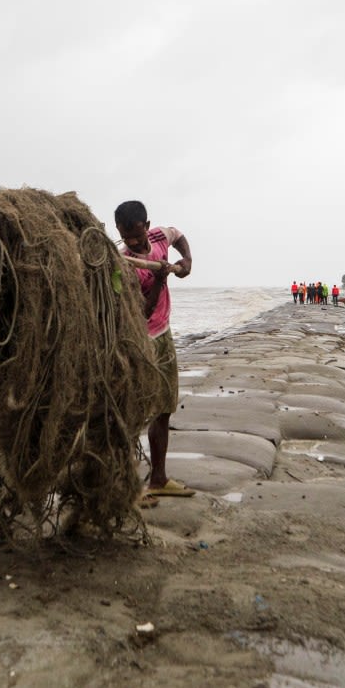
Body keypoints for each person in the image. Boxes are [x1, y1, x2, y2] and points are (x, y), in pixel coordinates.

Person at [114, 200, 195, 504]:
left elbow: (178, 236)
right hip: (138, 341)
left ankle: (158, 479)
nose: (133, 243)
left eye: (136, 235)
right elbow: (141, 313)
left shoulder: (160, 237)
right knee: (134, 412)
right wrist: (160, 280)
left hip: (164, 335)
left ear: (146, 227)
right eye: (126, 237)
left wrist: (186, 260)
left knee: (163, 408)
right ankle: (126, 487)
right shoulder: (124, 265)